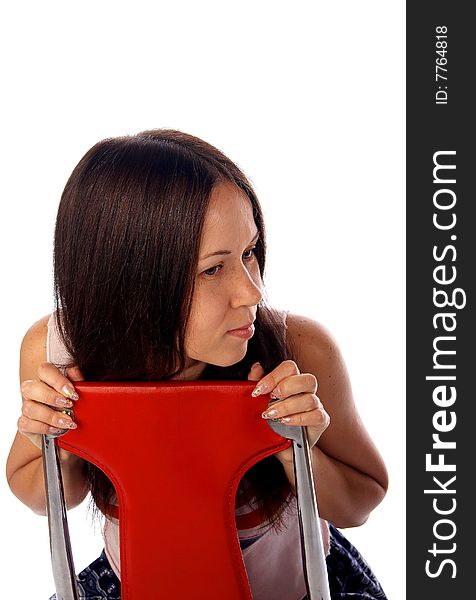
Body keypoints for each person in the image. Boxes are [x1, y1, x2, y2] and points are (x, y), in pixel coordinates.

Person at [6, 129, 388, 599]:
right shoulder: (58, 353)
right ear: (132, 283)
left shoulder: (299, 351)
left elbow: (361, 502)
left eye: (249, 252)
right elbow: (49, 496)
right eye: (213, 268)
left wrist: (297, 452)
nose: (252, 291)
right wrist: (54, 444)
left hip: (299, 587)